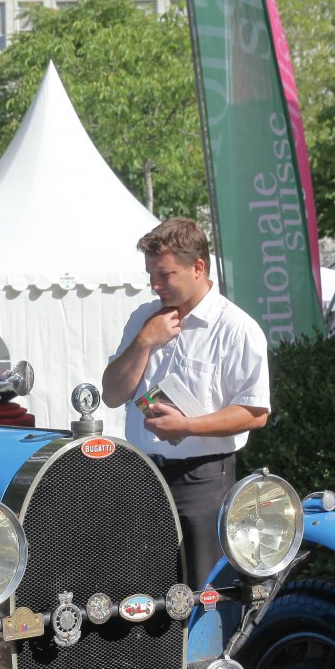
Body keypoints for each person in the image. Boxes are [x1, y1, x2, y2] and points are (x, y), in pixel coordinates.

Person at [101, 217, 270, 589]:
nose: (155, 285)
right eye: (151, 275)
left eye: (165, 275)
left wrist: (187, 426)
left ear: (198, 267)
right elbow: (111, 394)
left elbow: (255, 413)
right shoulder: (143, 319)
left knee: (202, 595)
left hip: (202, 483)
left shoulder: (236, 329)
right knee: (140, 596)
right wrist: (144, 342)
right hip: (142, 475)